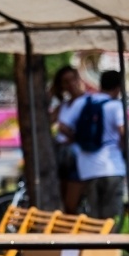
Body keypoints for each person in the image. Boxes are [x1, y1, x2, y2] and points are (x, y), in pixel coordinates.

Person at [58, 69, 126, 221]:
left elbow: (62, 126)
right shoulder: (115, 105)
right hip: (112, 167)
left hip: (87, 168)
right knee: (111, 217)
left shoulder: (82, 102)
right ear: (118, 87)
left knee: (94, 218)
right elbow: (124, 132)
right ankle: (111, 244)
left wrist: (77, 138)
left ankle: (95, 245)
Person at [49, 66, 87, 214]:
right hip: (61, 156)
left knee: (71, 204)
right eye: (65, 82)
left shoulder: (87, 102)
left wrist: (67, 132)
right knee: (62, 204)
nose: (70, 84)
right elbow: (46, 121)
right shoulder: (63, 106)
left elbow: (85, 133)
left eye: (72, 79)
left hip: (77, 158)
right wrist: (52, 92)